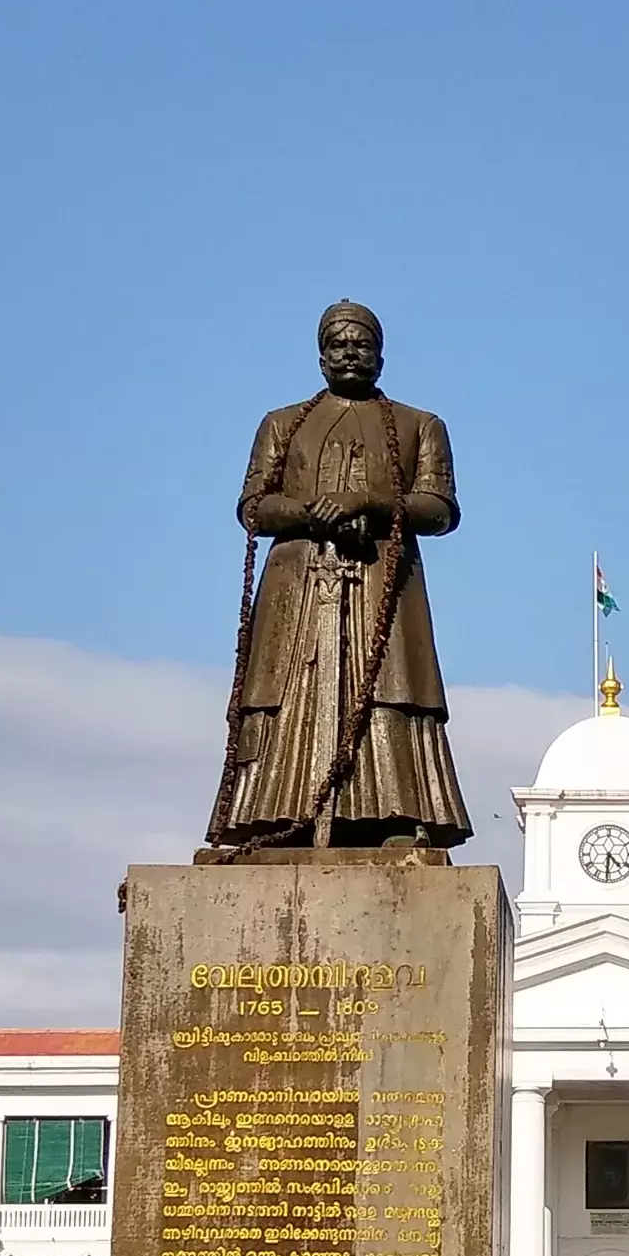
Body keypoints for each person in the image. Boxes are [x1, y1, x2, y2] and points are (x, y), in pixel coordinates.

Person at [208, 300, 473, 849]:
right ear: (320, 355)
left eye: (362, 344)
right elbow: (253, 509)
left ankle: (398, 813)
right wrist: (310, 514)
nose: (350, 353)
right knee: (287, 692)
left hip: (382, 583)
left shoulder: (419, 425)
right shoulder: (281, 424)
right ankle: (276, 814)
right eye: (338, 344)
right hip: (298, 584)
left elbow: (439, 508)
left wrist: (372, 503)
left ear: (381, 355)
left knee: (389, 690)